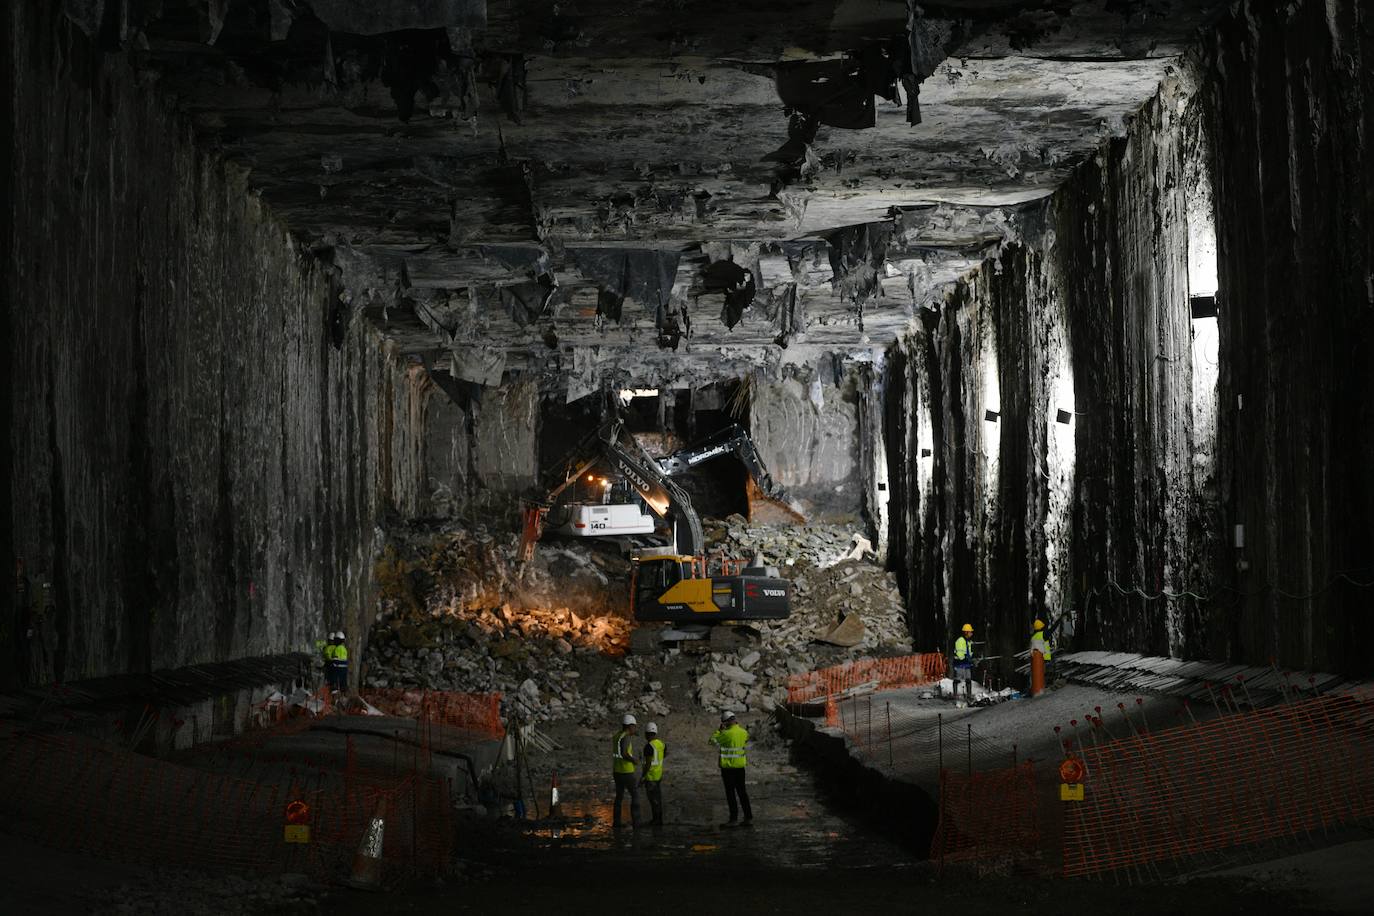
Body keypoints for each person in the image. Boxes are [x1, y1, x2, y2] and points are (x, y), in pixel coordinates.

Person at [709, 710, 751, 826]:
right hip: (740, 767)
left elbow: (712, 741)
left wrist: (719, 730)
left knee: (731, 794)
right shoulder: (743, 732)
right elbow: (746, 739)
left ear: (726, 722)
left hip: (728, 769)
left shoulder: (725, 734)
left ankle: (733, 819)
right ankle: (748, 818)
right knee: (742, 793)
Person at [611, 713, 641, 828]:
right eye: (634, 726)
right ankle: (636, 823)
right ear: (630, 726)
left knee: (619, 797)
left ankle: (616, 822)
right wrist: (633, 760)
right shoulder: (626, 737)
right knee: (635, 795)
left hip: (617, 771)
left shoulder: (616, 736)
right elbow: (624, 753)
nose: (635, 729)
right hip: (627, 772)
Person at [640, 721, 666, 826]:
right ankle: (658, 819)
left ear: (647, 733)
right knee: (657, 799)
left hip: (651, 778)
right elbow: (664, 755)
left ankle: (657, 820)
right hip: (658, 775)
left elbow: (648, 764)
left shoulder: (648, 747)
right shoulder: (661, 744)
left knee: (653, 800)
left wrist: (643, 776)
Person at [953, 623, 976, 704]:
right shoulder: (960, 641)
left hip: (966, 664)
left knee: (968, 680)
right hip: (960, 663)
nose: (971, 633)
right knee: (958, 679)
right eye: (970, 632)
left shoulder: (968, 642)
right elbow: (959, 653)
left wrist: (972, 658)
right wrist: (966, 657)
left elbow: (969, 652)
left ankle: (969, 696)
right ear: (966, 632)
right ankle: (955, 696)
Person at [1030, 618, 1053, 683]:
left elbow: (1032, 650)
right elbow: (1052, 629)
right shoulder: (1043, 634)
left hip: (1036, 661)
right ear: (1042, 627)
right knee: (1045, 677)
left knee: (1038, 677)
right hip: (1044, 659)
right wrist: (1059, 619)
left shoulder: (1033, 637)